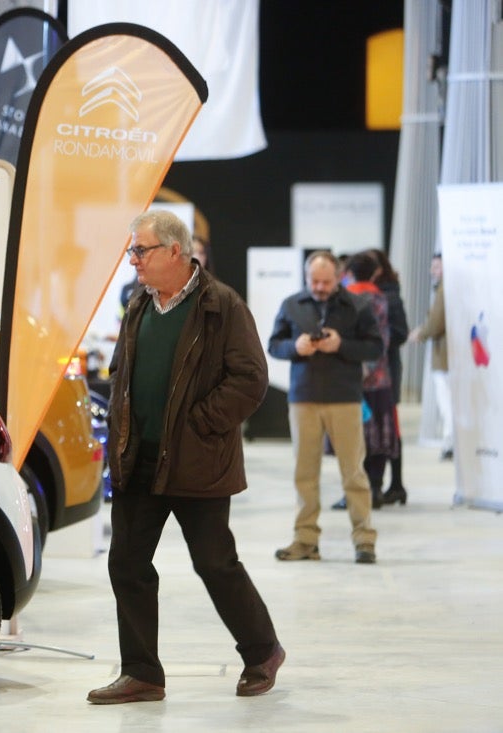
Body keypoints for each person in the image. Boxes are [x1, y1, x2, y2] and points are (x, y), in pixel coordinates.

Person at [89, 210, 283, 705]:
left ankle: (262, 652)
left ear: (175, 251)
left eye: (141, 250)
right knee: (127, 564)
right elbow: (124, 377)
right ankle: (142, 673)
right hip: (141, 460)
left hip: (198, 461)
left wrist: (200, 422)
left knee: (215, 564)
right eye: (133, 250)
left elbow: (250, 379)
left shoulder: (221, 305)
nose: (133, 259)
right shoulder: (139, 303)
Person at [268, 250, 382, 565]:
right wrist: (296, 347)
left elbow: (376, 346)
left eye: (326, 281)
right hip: (303, 398)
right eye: (314, 281)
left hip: (345, 398)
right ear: (306, 278)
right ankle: (305, 540)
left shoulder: (358, 305)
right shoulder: (292, 305)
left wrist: (341, 345)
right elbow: (274, 345)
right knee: (305, 473)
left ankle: (364, 540)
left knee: (353, 473)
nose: (319, 287)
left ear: (338, 277)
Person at [343, 252, 399, 508]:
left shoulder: (344, 298)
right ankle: (375, 488)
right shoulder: (381, 298)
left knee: (354, 438)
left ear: (349, 272)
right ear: (375, 273)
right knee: (379, 435)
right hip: (380, 379)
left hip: (351, 379)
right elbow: (384, 339)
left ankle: (354, 492)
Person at [368, 248, 410, 503]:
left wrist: (378, 340)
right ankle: (390, 484)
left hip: (387, 371)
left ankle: (395, 484)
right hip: (377, 370)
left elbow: (401, 333)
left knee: (391, 428)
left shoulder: (390, 296)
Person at [409, 253, 452, 460]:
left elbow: (436, 322)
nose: (432, 271)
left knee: (447, 402)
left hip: (445, 356)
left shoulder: (445, 290)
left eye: (436, 267)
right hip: (451, 355)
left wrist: (421, 333)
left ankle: (449, 443)